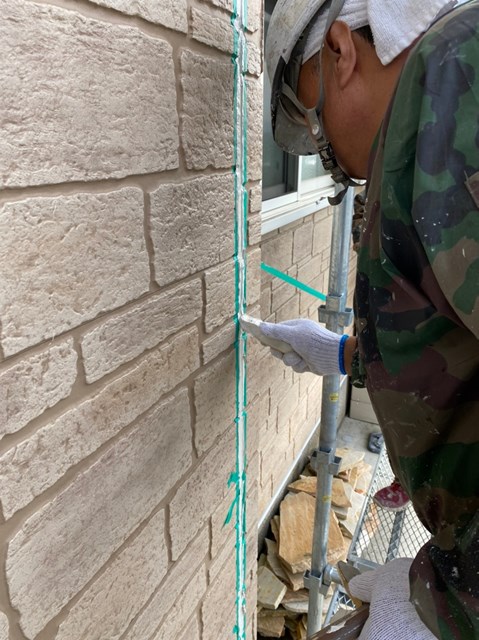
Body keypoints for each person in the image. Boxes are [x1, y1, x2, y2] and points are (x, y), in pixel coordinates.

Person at [262, 1, 479, 638]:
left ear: (341, 53)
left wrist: (455, 612)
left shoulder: (454, 78)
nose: (326, 153)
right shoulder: (424, 115)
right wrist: (346, 355)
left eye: (313, 122)